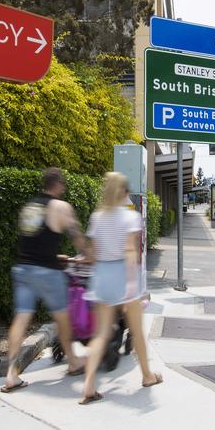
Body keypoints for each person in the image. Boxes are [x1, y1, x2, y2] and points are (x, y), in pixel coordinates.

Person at [2, 168, 89, 392]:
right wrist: (90, 257)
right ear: (58, 184)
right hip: (47, 273)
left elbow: (34, 240)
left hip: (23, 268)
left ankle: (11, 374)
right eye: (64, 184)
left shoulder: (29, 206)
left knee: (21, 319)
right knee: (62, 318)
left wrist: (53, 255)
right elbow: (77, 238)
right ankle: (73, 362)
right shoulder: (61, 207)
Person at [79, 172, 163, 405]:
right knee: (136, 330)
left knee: (101, 333)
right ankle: (147, 376)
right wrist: (130, 283)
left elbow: (93, 253)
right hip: (123, 276)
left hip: (102, 276)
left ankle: (88, 384)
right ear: (125, 193)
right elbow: (129, 250)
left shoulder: (97, 217)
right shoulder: (131, 217)